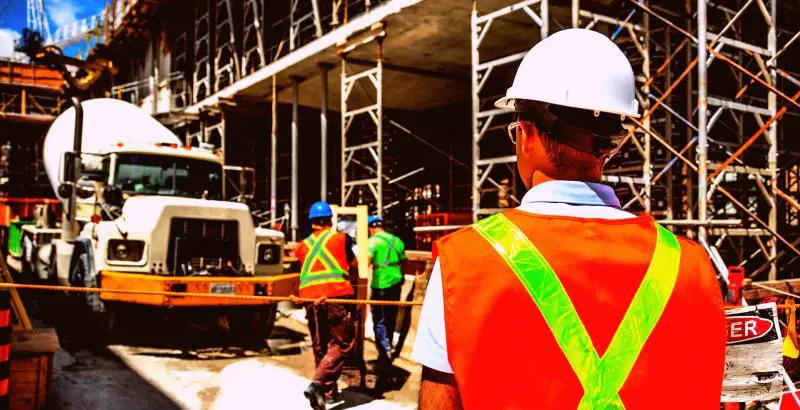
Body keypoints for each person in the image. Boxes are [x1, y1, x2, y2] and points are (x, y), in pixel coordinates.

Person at [412, 28, 727, 409]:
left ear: (525, 134)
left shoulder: (463, 262)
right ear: (610, 146)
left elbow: (440, 401)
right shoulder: (690, 265)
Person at [296, 201, 358, 410]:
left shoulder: (302, 246)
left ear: (312, 222)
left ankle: (327, 394)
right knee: (342, 343)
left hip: (310, 300)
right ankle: (317, 384)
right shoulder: (341, 239)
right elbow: (353, 264)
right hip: (335, 296)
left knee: (320, 345)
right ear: (330, 220)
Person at [366, 215, 408, 388]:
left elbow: (366, 263)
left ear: (371, 228)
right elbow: (405, 261)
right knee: (390, 317)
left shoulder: (373, 242)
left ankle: (385, 351)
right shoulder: (397, 241)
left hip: (380, 285)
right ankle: (387, 348)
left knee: (378, 320)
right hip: (396, 284)